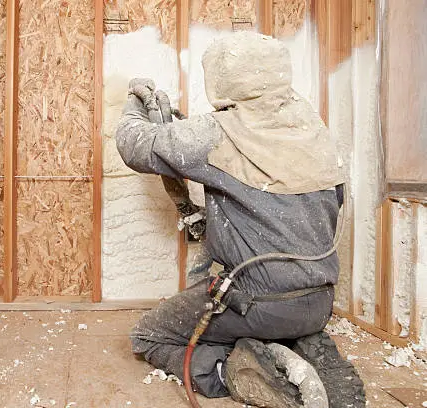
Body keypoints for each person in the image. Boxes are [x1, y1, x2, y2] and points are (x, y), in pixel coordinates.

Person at [115, 31, 365, 407]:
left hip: (259, 304)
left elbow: (134, 145)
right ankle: (300, 344)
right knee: (263, 308)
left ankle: (230, 371)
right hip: (318, 303)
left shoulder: (219, 132)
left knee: (149, 336)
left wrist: (135, 101)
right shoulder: (312, 127)